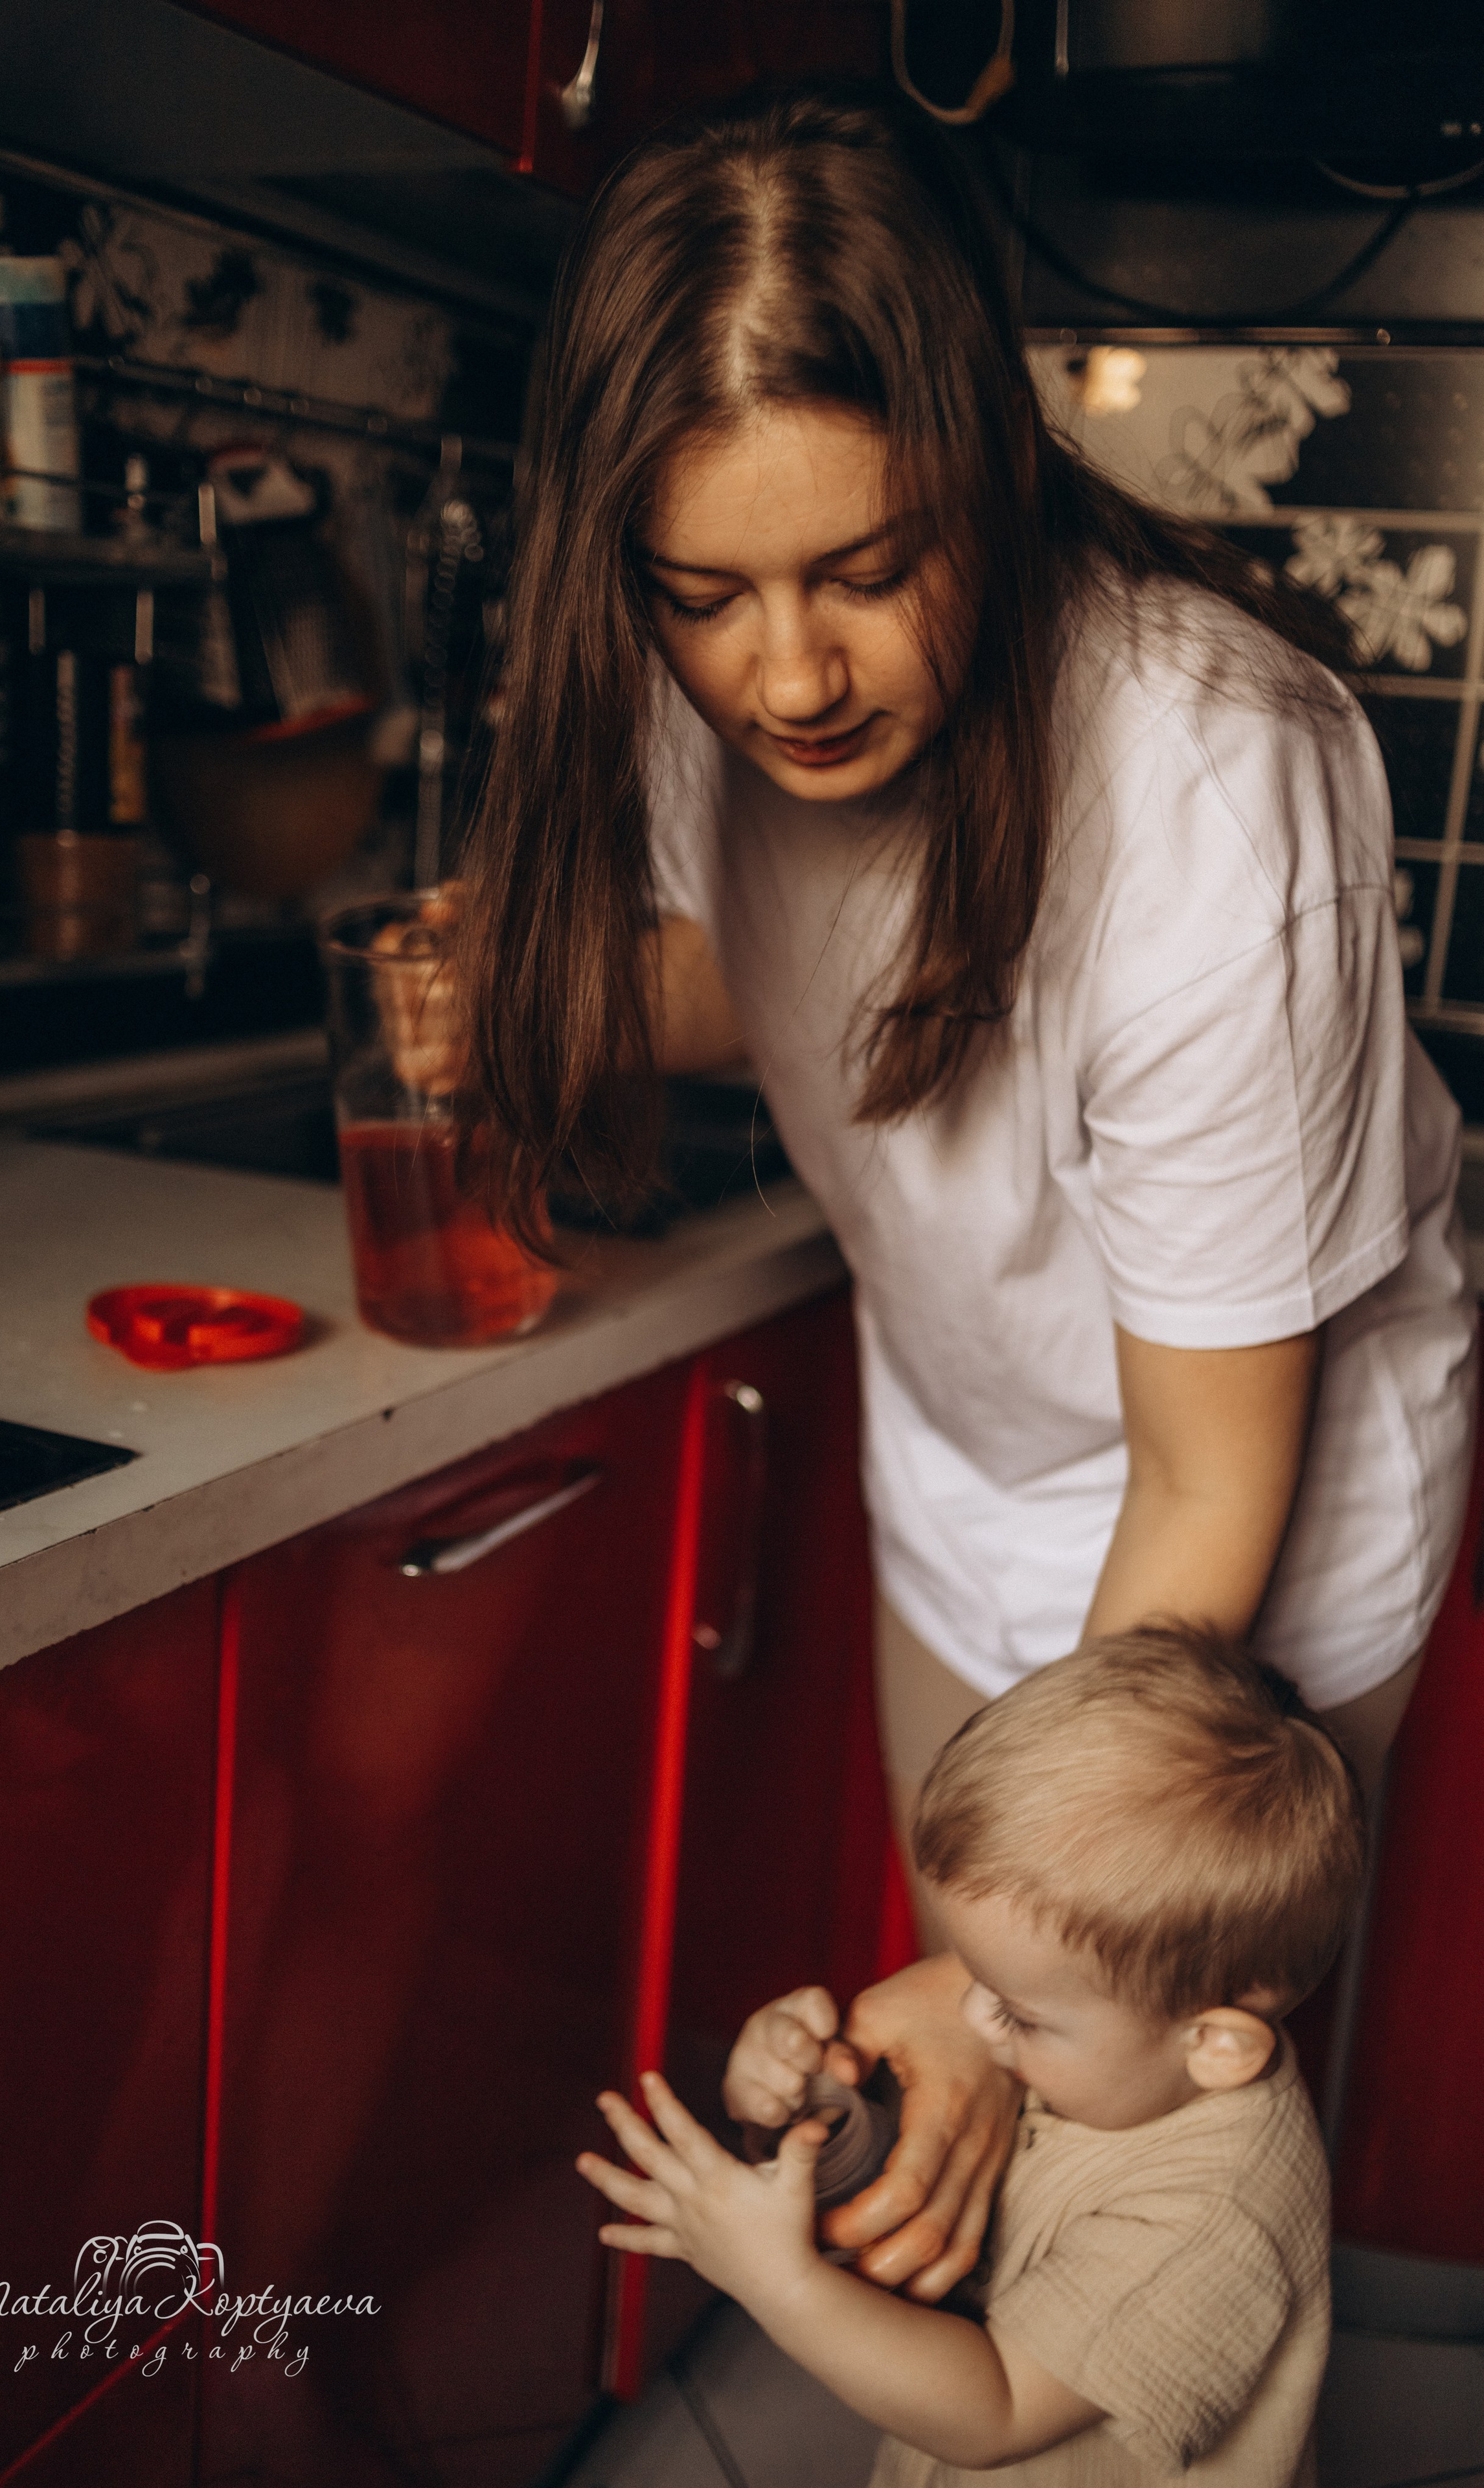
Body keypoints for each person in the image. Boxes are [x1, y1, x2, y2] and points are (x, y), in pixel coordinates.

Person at [457, 82, 1478, 2293]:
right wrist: (536, 988)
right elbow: (783, 970)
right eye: (706, 596)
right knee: (970, 2113)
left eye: (866, 570)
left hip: (1248, 1501)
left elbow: (1208, 1475)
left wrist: (1037, 1967)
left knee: (1157, 2196)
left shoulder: (1208, 779)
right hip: (972, 1436)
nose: (789, 674)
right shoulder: (712, 681)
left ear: (989, 475)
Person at [578, 1623, 1366, 2484]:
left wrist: (779, 2282)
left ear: (1214, 2045)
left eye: (1020, 2013)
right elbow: (914, 2198)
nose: (972, 2019)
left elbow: (996, 2412)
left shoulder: (1213, 2218)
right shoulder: (1124, 2052)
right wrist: (812, 2113)